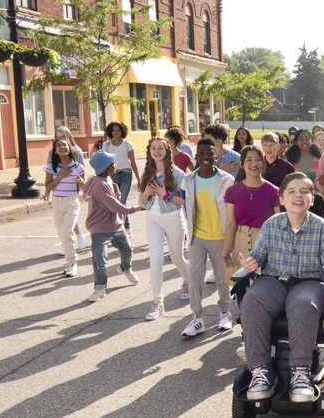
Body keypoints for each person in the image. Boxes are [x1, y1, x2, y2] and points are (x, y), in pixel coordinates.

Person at [238, 172, 324, 402]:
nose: (298, 196)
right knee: (252, 301)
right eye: (291, 191)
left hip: (310, 282)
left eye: (304, 192)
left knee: (304, 305)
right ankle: (261, 372)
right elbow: (258, 258)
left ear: (312, 199)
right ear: (281, 199)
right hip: (273, 281)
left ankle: (300, 373)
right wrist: (249, 263)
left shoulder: (322, 227)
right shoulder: (271, 224)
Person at [181, 138, 234, 336]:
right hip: (198, 237)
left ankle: (225, 312)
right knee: (194, 278)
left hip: (221, 236)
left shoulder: (226, 179)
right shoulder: (188, 180)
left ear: (216, 156)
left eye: (209, 153)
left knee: (222, 278)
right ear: (196, 156)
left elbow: (231, 210)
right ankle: (198, 318)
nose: (205, 157)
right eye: (201, 153)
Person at [138, 136, 189, 321]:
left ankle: (187, 280)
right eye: (154, 148)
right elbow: (142, 203)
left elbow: (185, 201)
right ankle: (158, 301)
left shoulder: (177, 174)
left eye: (160, 148)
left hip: (173, 217)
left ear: (167, 150)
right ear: (149, 151)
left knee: (177, 257)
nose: (157, 151)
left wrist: (165, 194)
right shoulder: (147, 174)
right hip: (153, 218)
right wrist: (146, 193)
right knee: (156, 258)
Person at [83, 150, 142, 302]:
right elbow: (117, 207)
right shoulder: (99, 184)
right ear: (104, 167)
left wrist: (116, 192)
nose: (115, 164)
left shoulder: (107, 180)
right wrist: (139, 208)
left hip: (115, 225)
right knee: (99, 257)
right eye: (112, 163)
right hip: (99, 227)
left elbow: (113, 202)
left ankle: (125, 268)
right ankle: (100, 287)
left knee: (128, 250)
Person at [222, 145, 280, 273]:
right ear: (241, 164)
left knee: (262, 289)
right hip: (240, 245)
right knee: (242, 289)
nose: (254, 163)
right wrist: (226, 252)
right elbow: (231, 224)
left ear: (263, 163)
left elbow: (280, 224)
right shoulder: (232, 191)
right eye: (249, 159)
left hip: (266, 245)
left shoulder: (274, 191)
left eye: (258, 159)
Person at [42, 136, 85, 277]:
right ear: (55, 151)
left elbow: (84, 188)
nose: (62, 147)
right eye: (58, 146)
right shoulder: (51, 167)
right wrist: (59, 177)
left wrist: (81, 182)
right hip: (57, 202)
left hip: (72, 202)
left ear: (70, 148)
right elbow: (48, 186)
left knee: (67, 233)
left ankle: (72, 263)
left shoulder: (78, 167)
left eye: (64, 145)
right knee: (62, 235)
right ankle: (69, 260)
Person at [48, 126, 88, 251]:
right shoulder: (52, 151)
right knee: (66, 218)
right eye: (57, 137)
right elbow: (50, 171)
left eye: (62, 137)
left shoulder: (77, 151)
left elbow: (82, 171)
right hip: (58, 186)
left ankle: (73, 241)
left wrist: (84, 189)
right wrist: (46, 192)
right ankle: (74, 239)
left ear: (68, 137)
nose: (59, 139)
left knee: (69, 215)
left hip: (72, 186)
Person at [102, 121, 140, 237]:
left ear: (122, 131)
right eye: (113, 130)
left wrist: (139, 179)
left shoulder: (128, 145)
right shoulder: (106, 146)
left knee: (122, 201)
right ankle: (119, 226)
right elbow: (103, 163)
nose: (116, 132)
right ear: (110, 132)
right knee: (115, 202)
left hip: (126, 174)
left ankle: (126, 228)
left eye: (118, 130)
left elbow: (133, 162)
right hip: (112, 175)